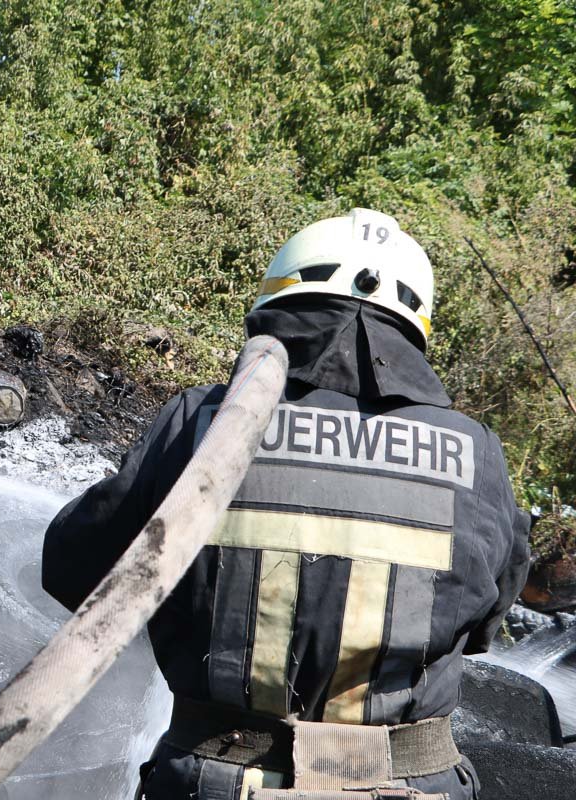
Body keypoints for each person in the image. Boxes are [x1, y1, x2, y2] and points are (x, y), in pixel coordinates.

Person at [41, 209, 531, 799]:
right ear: (413, 326)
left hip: (215, 780)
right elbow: (483, 621)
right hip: (412, 785)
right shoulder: (474, 452)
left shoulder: (199, 423)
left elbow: (76, 572)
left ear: (281, 300)